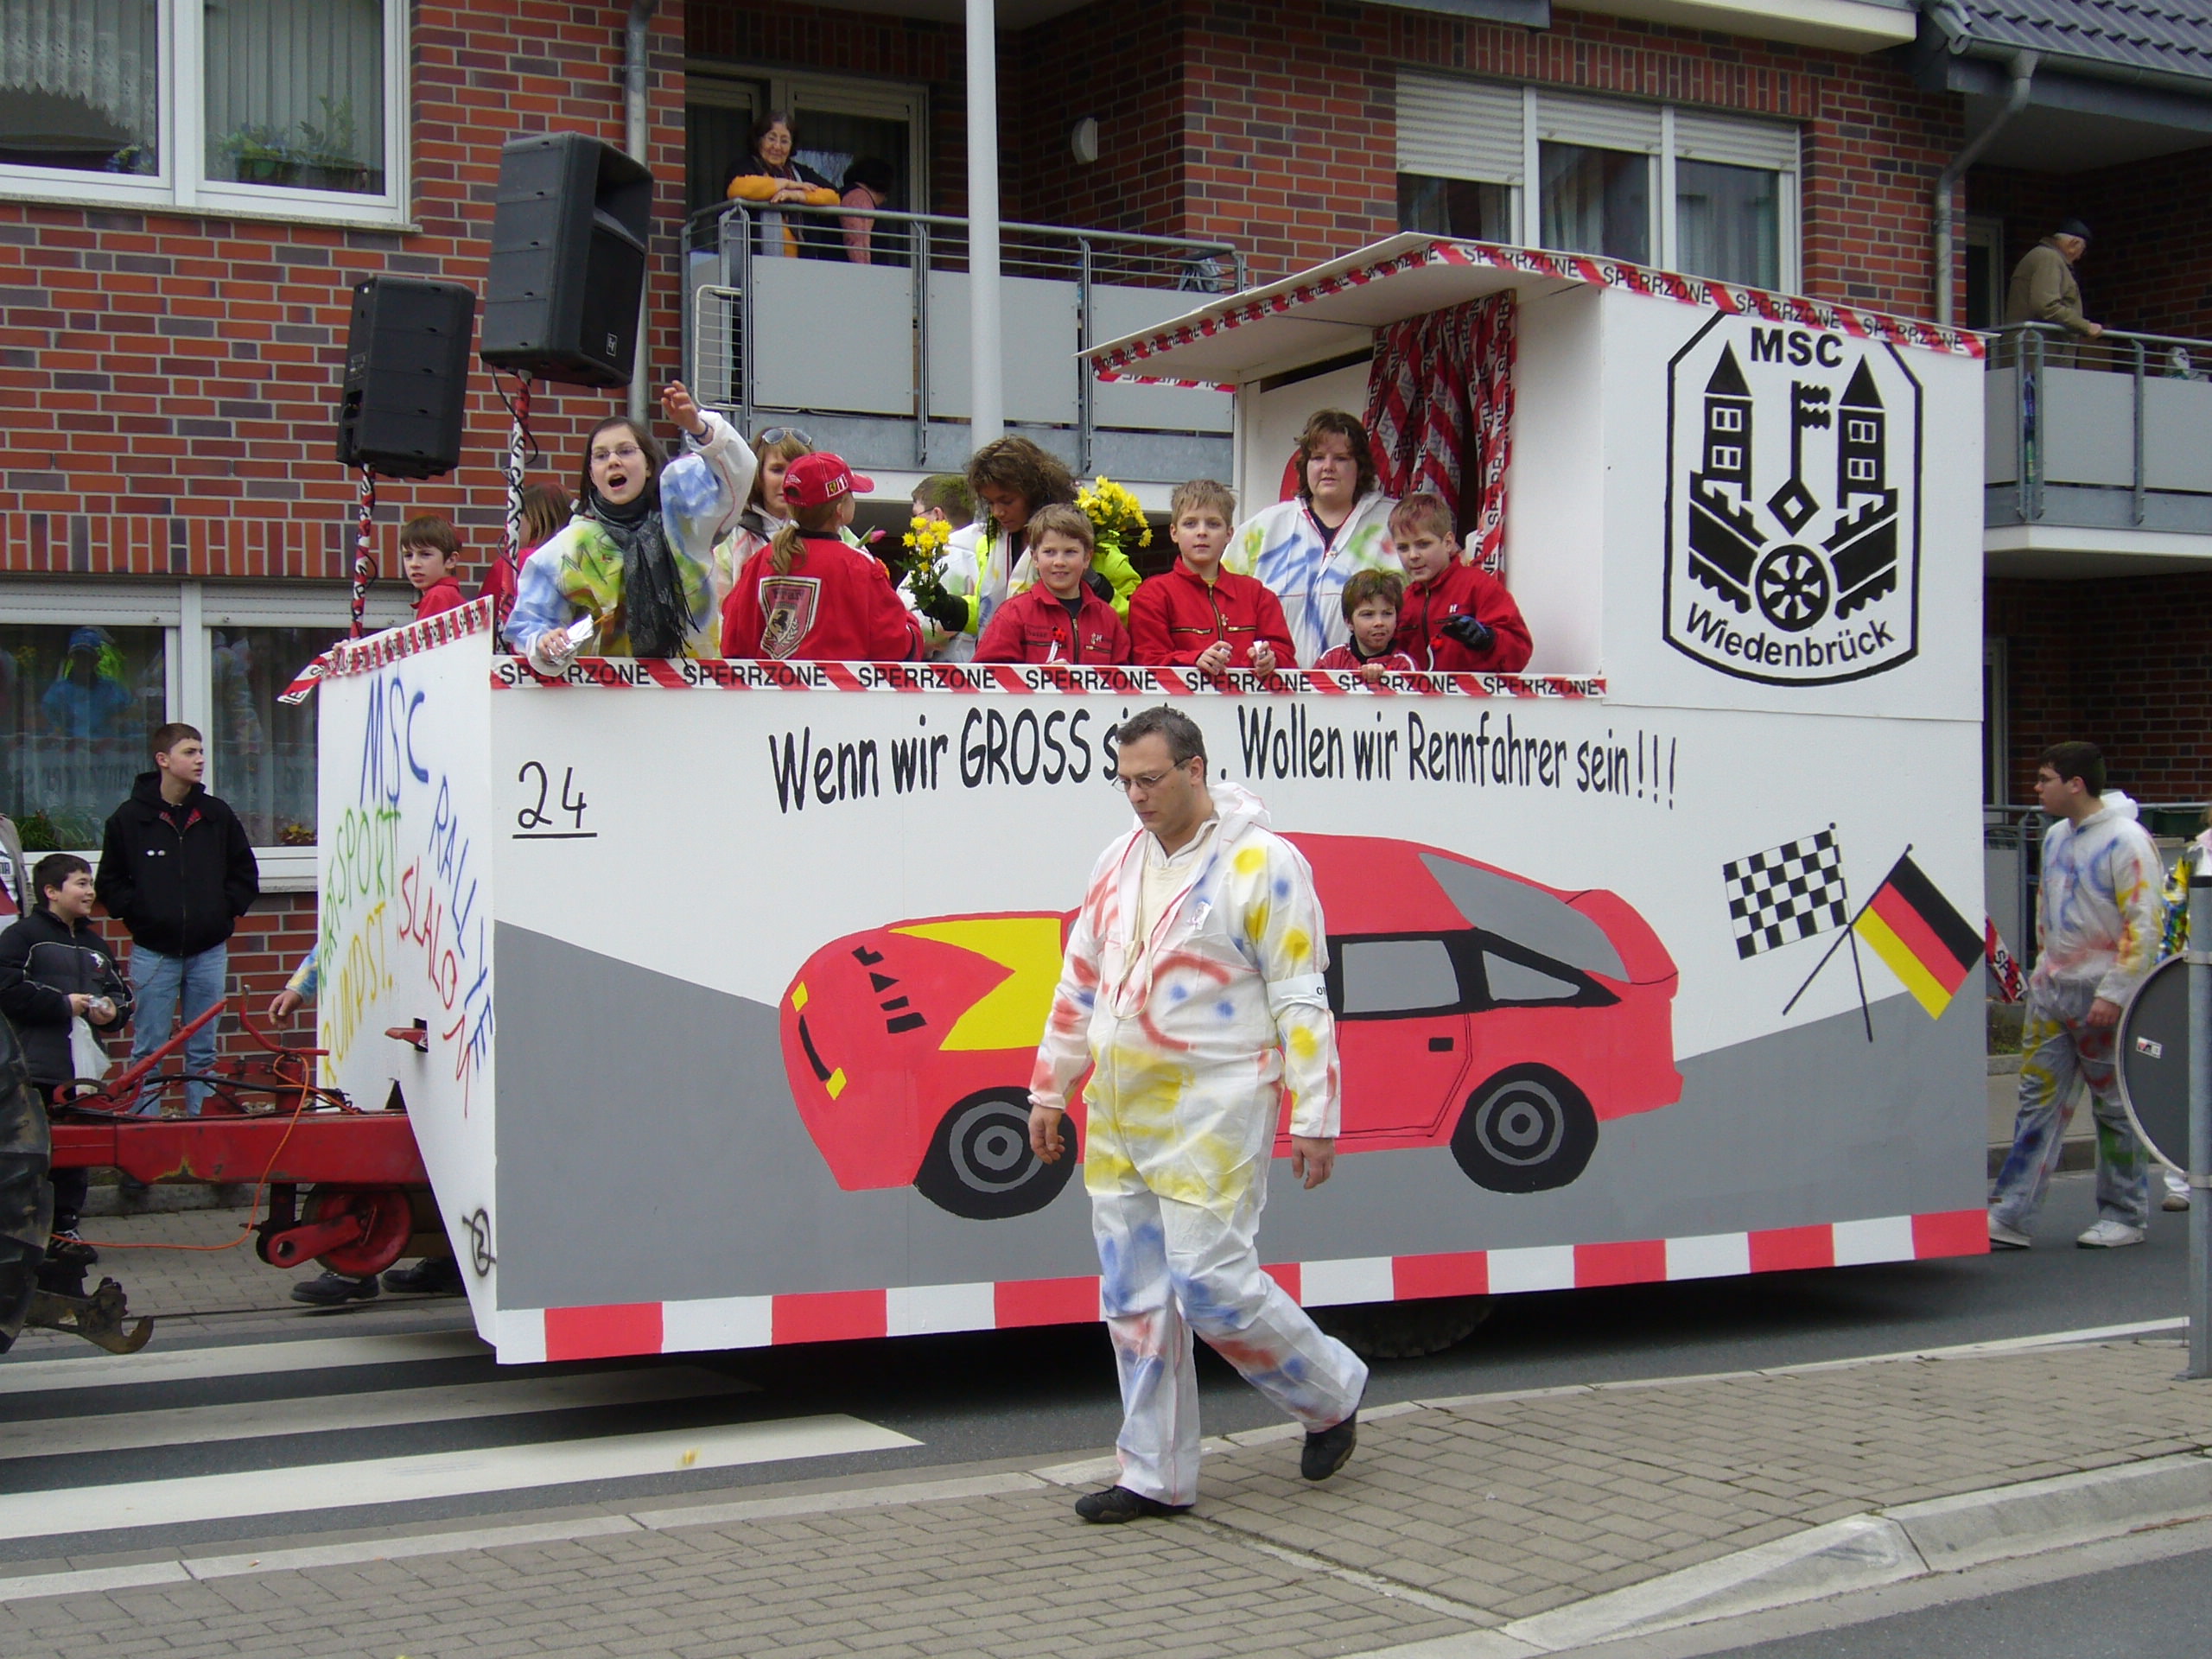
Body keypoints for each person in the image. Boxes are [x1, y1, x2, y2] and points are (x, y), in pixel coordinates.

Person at [1027, 705, 1367, 1522]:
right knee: (1132, 1298)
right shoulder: (1117, 861)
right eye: (1124, 782)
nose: (1136, 796)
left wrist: (1316, 1113)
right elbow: (1080, 979)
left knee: (1212, 1285)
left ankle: (1329, 1394)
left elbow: (1300, 995)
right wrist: (1049, 1087)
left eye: (1150, 779)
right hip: (1120, 1111)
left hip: (1216, 1109)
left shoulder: (1265, 864)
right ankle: (1155, 1475)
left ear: (1195, 769)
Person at [1990, 742, 2164, 1250]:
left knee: (2114, 1106)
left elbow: (2144, 924)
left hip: (2102, 995)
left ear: (2076, 784)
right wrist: (2042, 972)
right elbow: (2048, 911)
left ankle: (2124, 1213)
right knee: (2036, 1100)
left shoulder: (2127, 842)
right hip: (2053, 992)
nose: (2036, 788)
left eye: (2045, 779)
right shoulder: (2054, 838)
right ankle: (2012, 1213)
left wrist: (2116, 992)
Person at [505, 383, 755, 673]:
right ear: (592, 474)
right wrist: (544, 642)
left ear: (648, 465)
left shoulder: (685, 515)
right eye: (601, 456)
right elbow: (529, 622)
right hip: (607, 693)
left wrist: (699, 428)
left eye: (625, 451)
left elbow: (739, 473)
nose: (613, 461)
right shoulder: (571, 547)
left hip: (695, 684)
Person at [267, 948, 466, 1306]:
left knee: (441, 1150)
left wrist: (299, 987)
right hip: (389, 1026)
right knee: (381, 1145)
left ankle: (444, 1258)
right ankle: (361, 1264)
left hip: (439, 1026)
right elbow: (337, 939)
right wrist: (299, 987)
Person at [95, 723, 258, 1116]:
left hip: (209, 950)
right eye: (189, 752)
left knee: (203, 1050)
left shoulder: (216, 814)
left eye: (201, 751)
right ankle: (143, 1133)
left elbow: (244, 872)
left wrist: (223, 911)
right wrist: (142, 913)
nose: (200, 759)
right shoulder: (130, 818)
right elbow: (109, 882)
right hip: (154, 952)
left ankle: (201, 1132)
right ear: (163, 760)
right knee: (148, 1050)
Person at [0, 853, 131, 1255]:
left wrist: (112, 1012)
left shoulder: (95, 944)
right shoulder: (23, 937)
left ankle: (65, 1230)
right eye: (81, 883)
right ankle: (24, 1236)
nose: (90, 891)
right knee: (31, 1156)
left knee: (74, 1157)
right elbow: (7, 988)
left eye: (91, 882)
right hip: (32, 1070)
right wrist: (61, 1004)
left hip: (79, 1075)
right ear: (51, 891)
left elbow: (120, 994)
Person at [932, 438, 1138, 659]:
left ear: (1033, 494)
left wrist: (1099, 587)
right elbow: (994, 612)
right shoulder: (991, 545)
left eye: (1007, 501)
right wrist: (954, 609)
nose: (997, 512)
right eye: (990, 503)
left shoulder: (1094, 545)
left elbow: (1133, 621)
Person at [1227, 410, 1401, 666]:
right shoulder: (1263, 529)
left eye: (1341, 458)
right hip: (1275, 686)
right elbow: (1220, 605)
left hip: (1369, 686)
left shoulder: (1396, 525)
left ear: (1360, 466)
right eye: (1318, 457)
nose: (1328, 467)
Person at [723, 453, 925, 663]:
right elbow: (898, 647)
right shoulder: (861, 567)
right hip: (842, 685)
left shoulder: (760, 561)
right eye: (851, 494)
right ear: (840, 509)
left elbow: (732, 642)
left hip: (768, 684)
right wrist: (910, 622)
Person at [1128, 479, 1295, 671]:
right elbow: (1147, 662)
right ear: (1174, 533)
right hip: (1181, 693)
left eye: (1213, 524)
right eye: (1190, 524)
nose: (1202, 532)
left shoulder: (1257, 595)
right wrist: (1194, 660)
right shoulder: (1152, 595)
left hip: (1250, 693)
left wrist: (1271, 659)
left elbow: (1286, 656)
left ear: (1229, 534)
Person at [1389, 493, 1533, 673]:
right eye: (1403, 548)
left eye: (1423, 544)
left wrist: (1488, 640)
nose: (1413, 556)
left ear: (1448, 542)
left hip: (1472, 691)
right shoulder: (1404, 600)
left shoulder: (1478, 586)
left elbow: (1520, 650)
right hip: (1416, 692)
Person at [974, 505, 1132, 665]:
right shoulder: (1013, 613)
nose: (1059, 562)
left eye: (1070, 552)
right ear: (1035, 558)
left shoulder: (1108, 618)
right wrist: (1042, 677)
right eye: (1049, 552)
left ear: (1087, 558)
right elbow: (985, 674)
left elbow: (1126, 677)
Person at [716, 428, 813, 604]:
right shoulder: (733, 537)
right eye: (777, 470)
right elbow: (718, 608)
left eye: (798, 471)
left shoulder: (832, 531)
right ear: (758, 474)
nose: (788, 481)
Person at [725, 111, 840, 259]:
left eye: (784, 141)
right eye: (771, 138)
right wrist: (786, 183)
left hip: (802, 265)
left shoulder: (800, 172)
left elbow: (834, 197)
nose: (777, 146)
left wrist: (797, 195)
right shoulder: (744, 166)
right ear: (759, 140)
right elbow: (738, 188)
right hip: (754, 262)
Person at [2005, 219, 2102, 366]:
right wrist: (2085, 326)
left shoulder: (2043, 256)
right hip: (2039, 356)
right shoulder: (2049, 258)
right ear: (2074, 243)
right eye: (2083, 250)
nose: (2079, 257)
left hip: (2033, 354)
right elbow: (2047, 305)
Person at [480, 483, 569, 628]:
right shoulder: (578, 557)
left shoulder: (512, 562)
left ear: (536, 519)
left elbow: (483, 621)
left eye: (515, 516)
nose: (508, 525)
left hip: (519, 640)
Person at [1315, 569, 1416, 680]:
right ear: (1349, 622)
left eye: (1387, 613)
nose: (1379, 622)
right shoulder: (1331, 659)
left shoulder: (1405, 665)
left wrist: (1384, 678)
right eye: (1368, 614)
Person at [399, 514, 467, 620]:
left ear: (451, 560)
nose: (414, 564)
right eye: (408, 555)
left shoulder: (438, 594)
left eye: (425, 554)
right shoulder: (448, 594)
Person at [839, 156, 899, 265]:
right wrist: (865, 272)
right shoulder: (859, 197)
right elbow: (857, 240)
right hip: (858, 273)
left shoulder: (848, 194)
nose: (885, 200)